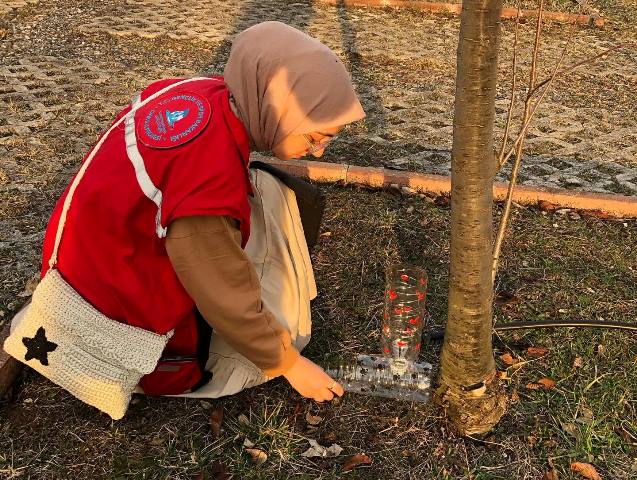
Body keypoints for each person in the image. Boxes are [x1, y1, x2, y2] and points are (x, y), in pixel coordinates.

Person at [4, 21, 366, 417]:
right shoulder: (206, 179)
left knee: (268, 191)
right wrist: (290, 365)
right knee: (218, 356)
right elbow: (217, 282)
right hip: (111, 298)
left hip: (84, 252)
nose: (317, 153)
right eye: (314, 137)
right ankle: (153, 367)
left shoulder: (199, 92)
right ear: (272, 105)